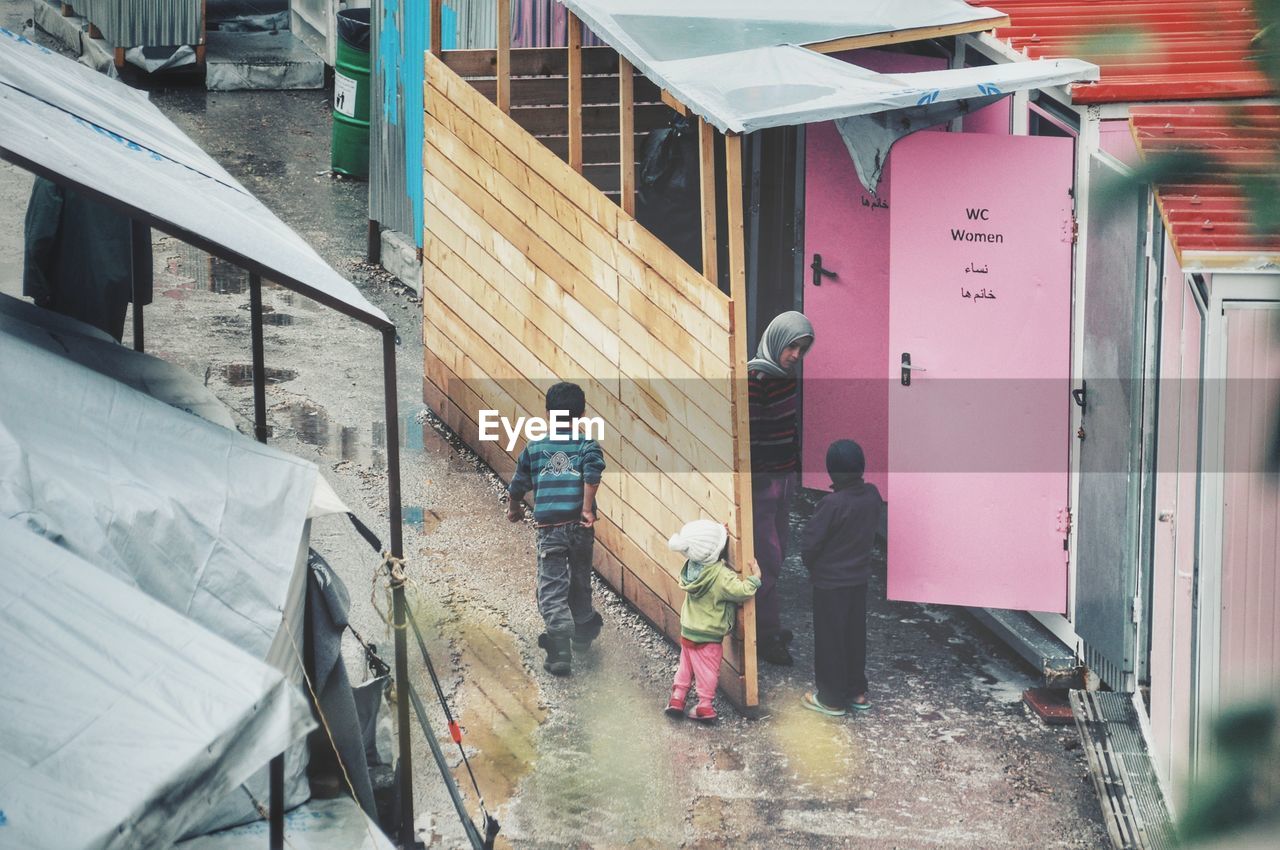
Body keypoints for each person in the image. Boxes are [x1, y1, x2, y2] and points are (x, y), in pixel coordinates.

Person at [507, 382, 606, 677]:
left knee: (551, 585)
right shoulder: (587, 445)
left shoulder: (535, 448)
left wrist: (514, 507)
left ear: (548, 413)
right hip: (581, 528)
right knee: (579, 579)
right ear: (582, 414)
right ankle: (583, 630)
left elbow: (518, 484)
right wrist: (586, 508)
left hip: (550, 528)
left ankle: (560, 645)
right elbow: (592, 473)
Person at [747, 310, 814, 666]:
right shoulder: (756, 378)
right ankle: (765, 634)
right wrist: (759, 480)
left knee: (778, 553)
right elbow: (752, 434)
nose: (795, 357)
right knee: (767, 559)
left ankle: (763, 626)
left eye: (802, 350)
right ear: (776, 341)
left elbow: (788, 428)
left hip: (783, 482)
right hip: (762, 485)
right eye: (792, 348)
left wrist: (794, 472)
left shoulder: (786, 377)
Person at [799, 439, 882, 717]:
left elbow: (811, 544)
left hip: (830, 584)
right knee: (854, 635)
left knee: (830, 640)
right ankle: (856, 692)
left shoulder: (831, 504)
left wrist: (812, 566)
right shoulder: (872, 495)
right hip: (858, 581)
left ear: (831, 472)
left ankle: (831, 698)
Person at [23, 177, 151, 342]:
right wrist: (140, 290)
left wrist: (38, 288)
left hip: (66, 287)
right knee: (104, 353)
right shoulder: (125, 166)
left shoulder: (55, 163)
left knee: (64, 355)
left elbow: (39, 234)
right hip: (114, 284)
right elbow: (141, 232)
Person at [665, 519, 761, 723]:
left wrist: (719, 535)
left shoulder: (690, 568)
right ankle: (704, 706)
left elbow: (703, 550)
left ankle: (677, 698)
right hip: (708, 636)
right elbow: (741, 591)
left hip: (688, 629)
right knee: (707, 671)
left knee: (686, 666)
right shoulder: (721, 576)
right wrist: (755, 578)